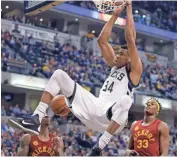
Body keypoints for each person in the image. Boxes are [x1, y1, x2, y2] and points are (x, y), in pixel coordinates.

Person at [9, 1, 143, 156]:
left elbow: (130, 38)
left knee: (127, 100)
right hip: (95, 109)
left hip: (113, 118)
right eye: (118, 52)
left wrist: (129, 8)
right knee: (59, 74)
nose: (118, 55)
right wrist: (114, 15)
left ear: (130, 59)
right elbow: (102, 41)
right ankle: (36, 118)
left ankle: (97, 148)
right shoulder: (114, 66)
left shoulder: (134, 71)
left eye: (122, 54)